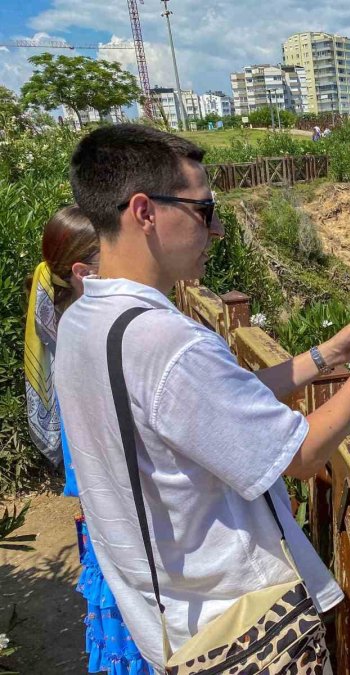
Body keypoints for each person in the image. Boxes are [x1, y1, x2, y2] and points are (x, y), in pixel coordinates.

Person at [56, 124, 350, 672]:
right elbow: (303, 454)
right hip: (241, 631)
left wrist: (324, 357)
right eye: (204, 210)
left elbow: (210, 411)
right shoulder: (167, 342)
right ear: (144, 212)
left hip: (167, 622)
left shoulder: (84, 322)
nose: (215, 230)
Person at [25, 205, 152, 674]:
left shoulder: (75, 333)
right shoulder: (97, 340)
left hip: (105, 521)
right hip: (125, 530)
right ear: (82, 273)